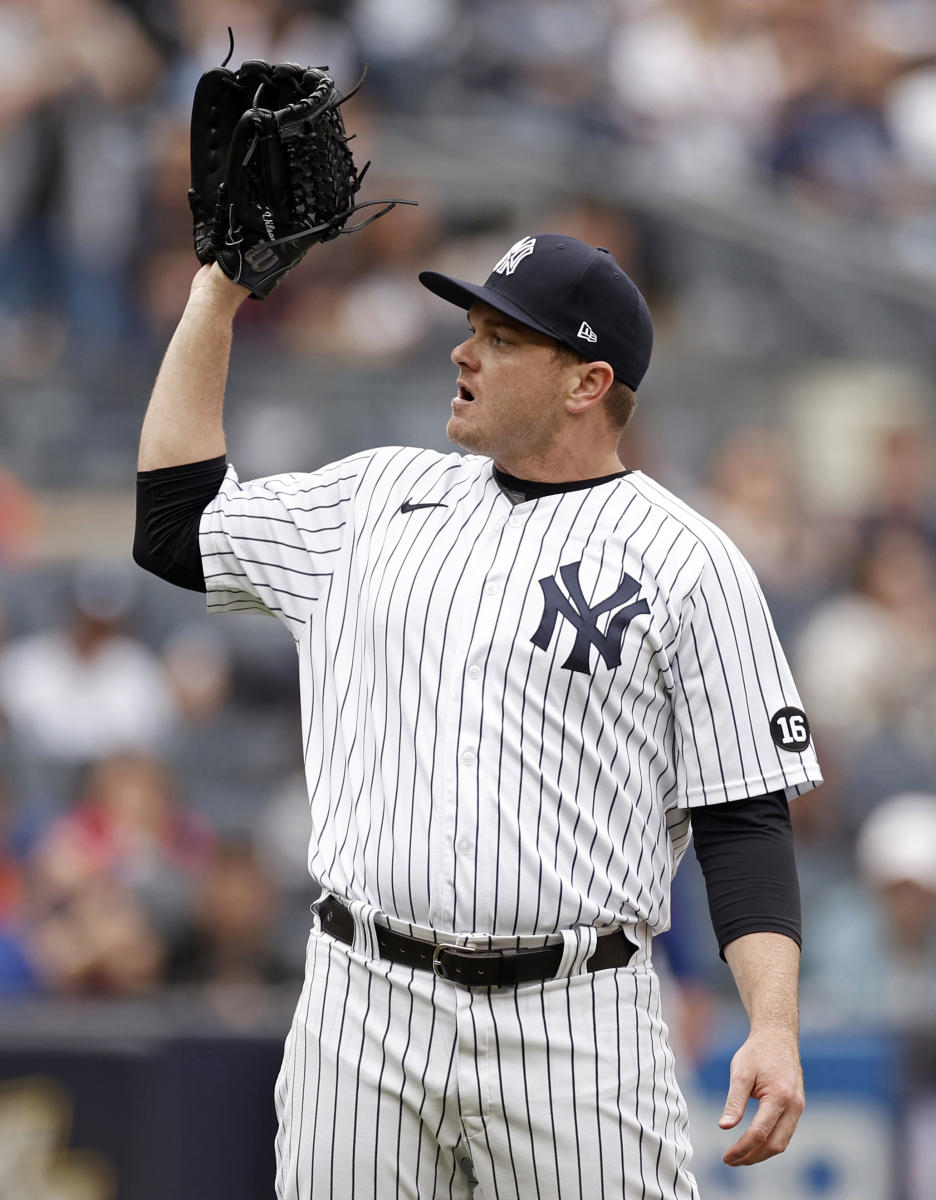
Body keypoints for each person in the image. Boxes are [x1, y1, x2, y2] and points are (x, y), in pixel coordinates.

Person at [134, 232, 821, 1199]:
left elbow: (744, 820)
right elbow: (173, 528)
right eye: (471, 327)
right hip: (362, 999)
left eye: (502, 337)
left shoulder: (689, 564)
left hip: (576, 1018)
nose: (463, 352)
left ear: (586, 383)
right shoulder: (375, 497)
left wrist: (774, 1027)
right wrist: (216, 294)